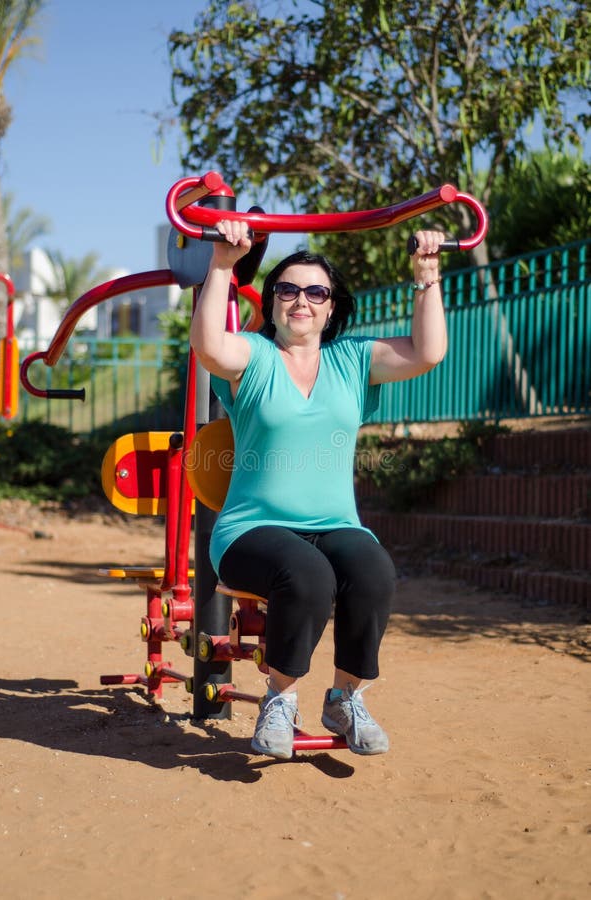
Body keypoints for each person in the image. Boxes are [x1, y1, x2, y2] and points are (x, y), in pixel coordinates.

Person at [190, 220, 448, 760]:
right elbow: (210, 347)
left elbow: (428, 352)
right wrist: (220, 263)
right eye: (287, 289)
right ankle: (280, 700)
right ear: (273, 302)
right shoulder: (253, 358)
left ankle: (344, 698)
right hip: (250, 531)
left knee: (373, 567)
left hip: (335, 526)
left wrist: (427, 273)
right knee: (307, 574)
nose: (301, 300)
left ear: (332, 307)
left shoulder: (352, 361)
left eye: (315, 291)